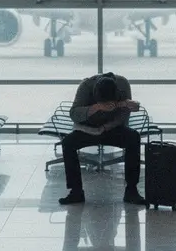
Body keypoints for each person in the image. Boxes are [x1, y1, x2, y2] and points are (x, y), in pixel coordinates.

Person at [59, 72, 147, 205]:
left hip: (113, 128)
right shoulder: (86, 86)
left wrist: (109, 123)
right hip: (88, 129)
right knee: (68, 143)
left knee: (133, 138)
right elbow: (74, 114)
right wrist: (96, 108)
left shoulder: (123, 84)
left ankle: (131, 190)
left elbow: (124, 116)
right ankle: (76, 191)